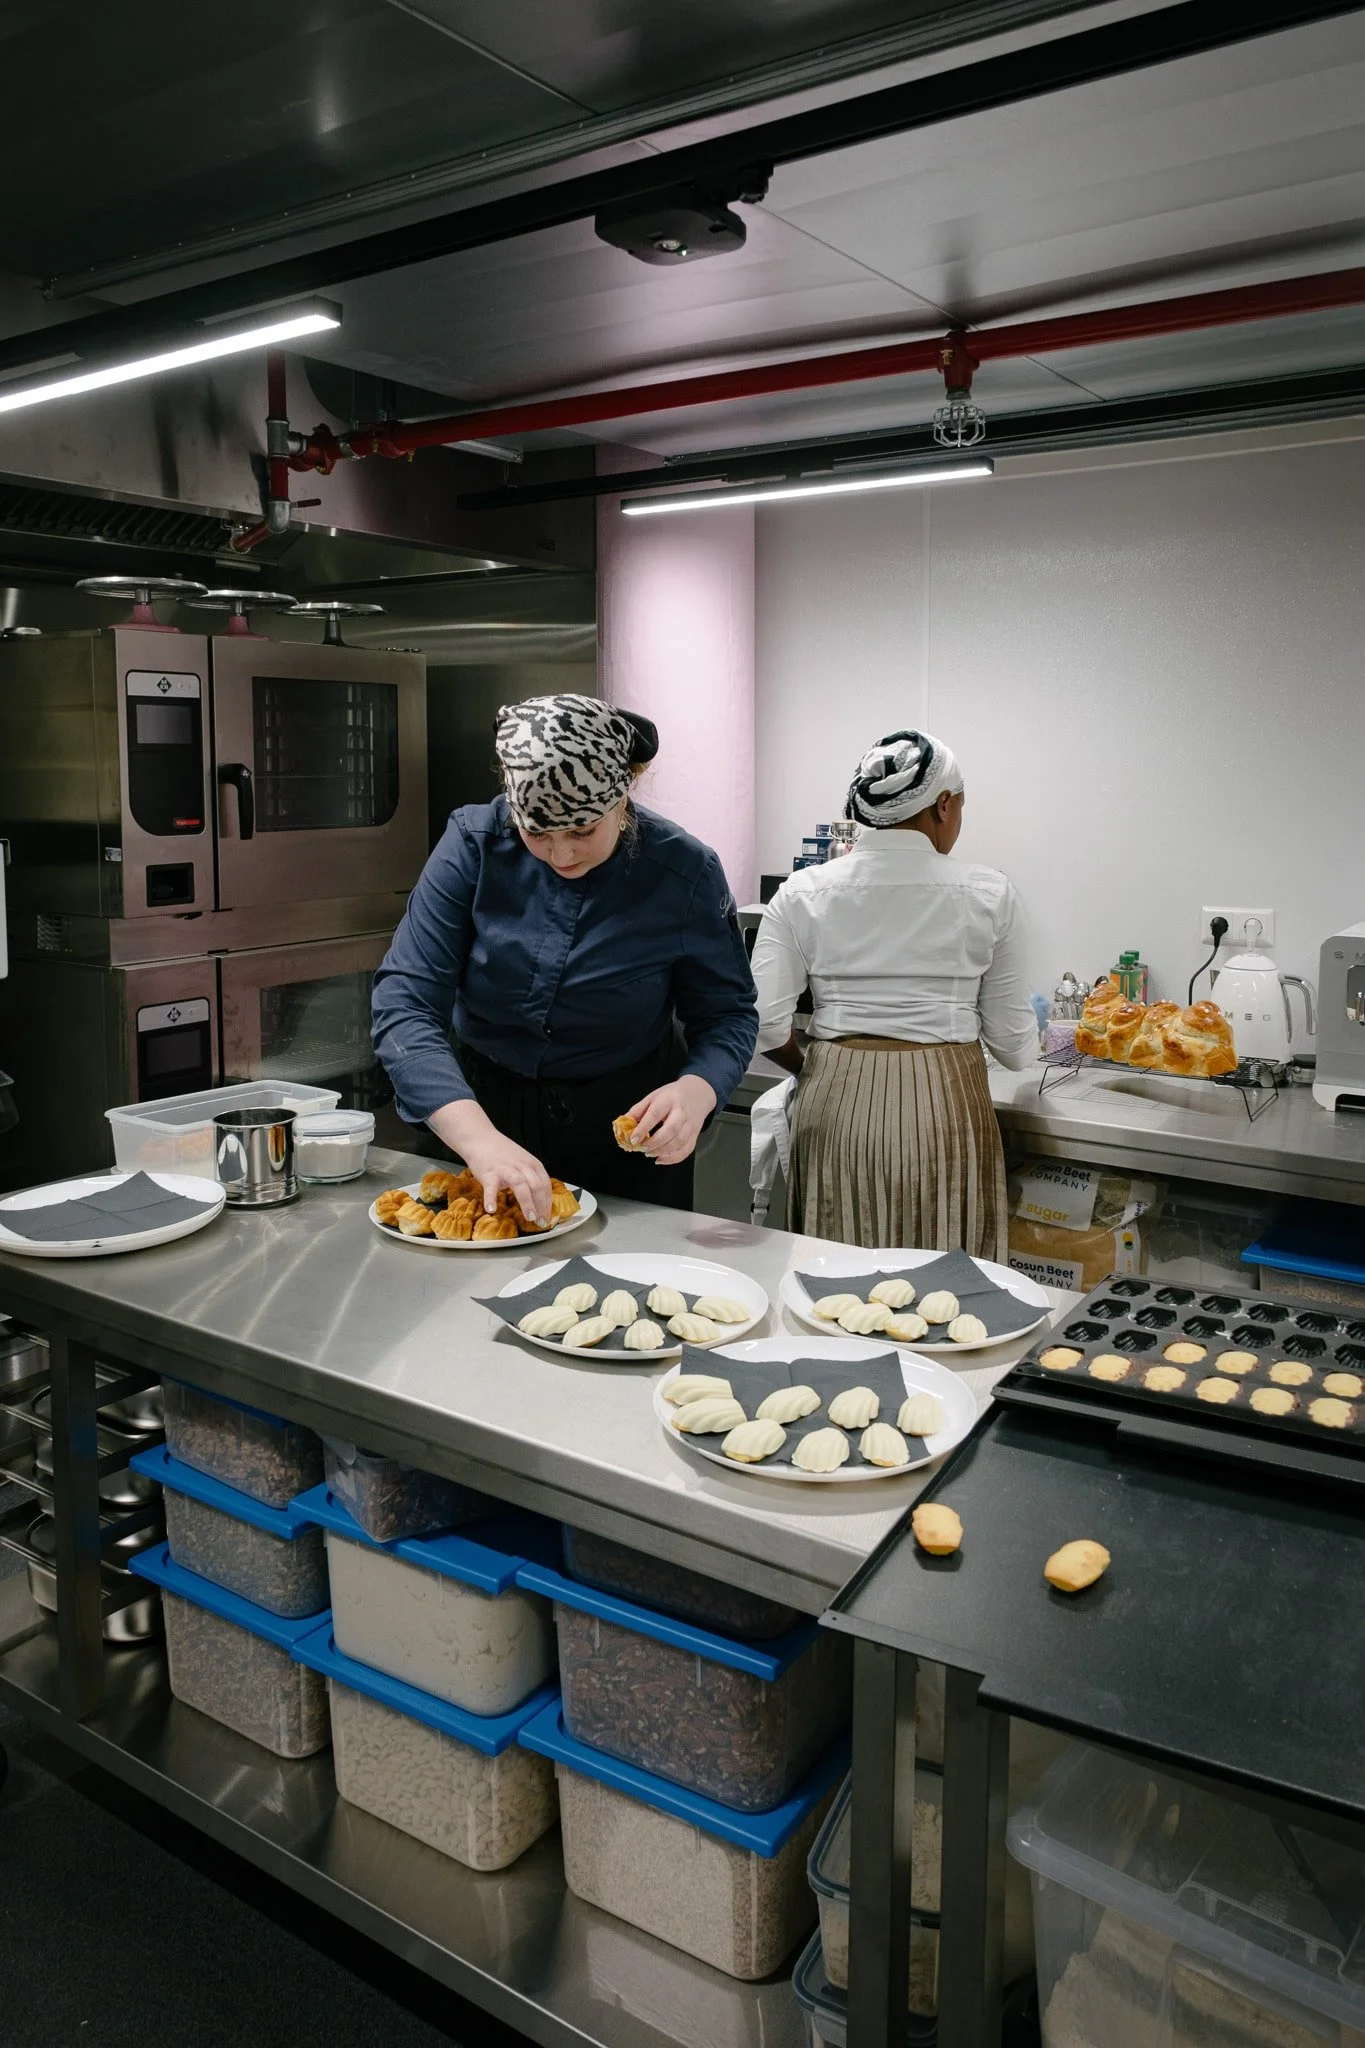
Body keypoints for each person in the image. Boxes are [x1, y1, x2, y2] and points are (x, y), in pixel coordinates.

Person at [372, 694, 758, 1222]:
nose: (562, 854)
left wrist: (697, 1090)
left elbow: (727, 1014)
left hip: (626, 1139)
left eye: (582, 831)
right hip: (477, 1122)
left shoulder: (683, 872)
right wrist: (479, 1140)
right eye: (536, 833)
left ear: (623, 798)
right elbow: (405, 1003)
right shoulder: (472, 845)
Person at [750, 728, 1036, 1255]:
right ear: (944, 805)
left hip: (833, 1099)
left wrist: (815, 1065)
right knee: (945, 1284)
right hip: (944, 1102)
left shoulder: (803, 892)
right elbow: (1014, 1048)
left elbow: (765, 1024)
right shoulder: (988, 892)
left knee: (835, 1278)